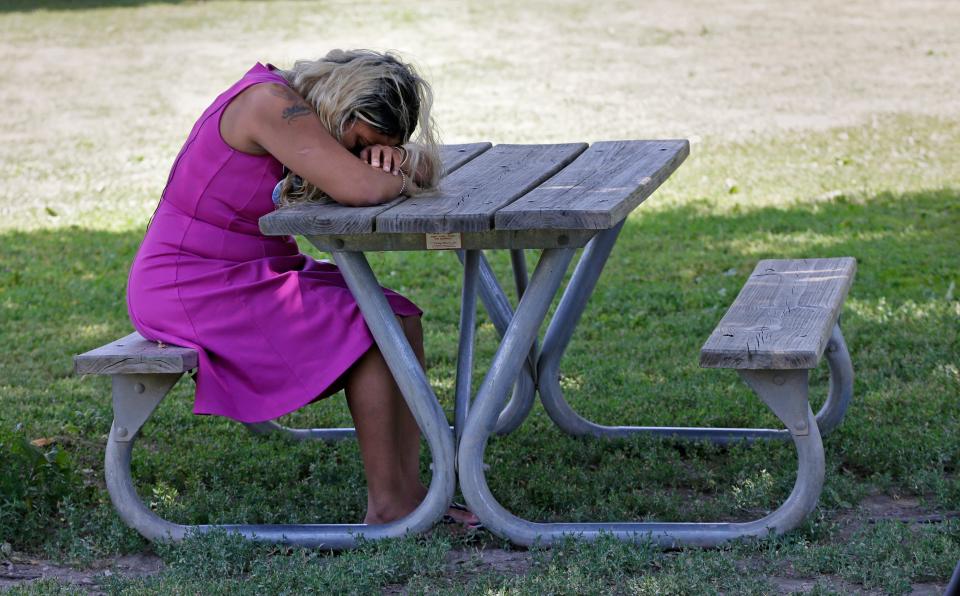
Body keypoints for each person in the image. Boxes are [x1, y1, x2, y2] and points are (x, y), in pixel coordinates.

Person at [126, 49, 478, 528]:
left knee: (399, 315)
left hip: (250, 270)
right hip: (191, 283)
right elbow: (362, 190)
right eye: (361, 143)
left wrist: (393, 159)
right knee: (373, 326)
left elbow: (399, 175)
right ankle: (389, 505)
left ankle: (411, 491)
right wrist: (379, 172)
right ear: (344, 107)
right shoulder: (269, 104)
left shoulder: (296, 107)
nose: (358, 155)